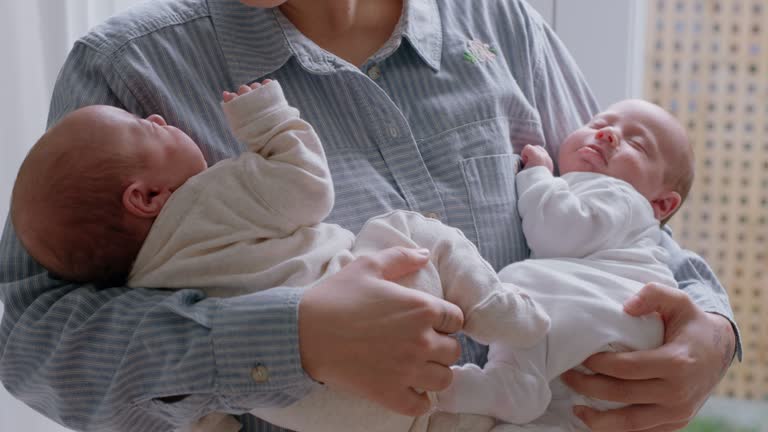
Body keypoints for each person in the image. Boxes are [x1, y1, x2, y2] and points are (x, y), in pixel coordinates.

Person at [0, 1, 740, 431]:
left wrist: (709, 327)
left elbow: (623, 214)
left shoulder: (500, 24)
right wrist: (294, 340)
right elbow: (33, 341)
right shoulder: (131, 69)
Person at [11, 78, 549, 432]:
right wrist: (271, 123)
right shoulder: (209, 195)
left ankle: (482, 400)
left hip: (318, 415)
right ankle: (492, 308)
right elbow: (308, 188)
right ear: (146, 197)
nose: (154, 117)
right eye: (141, 127)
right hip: (401, 290)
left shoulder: (145, 279)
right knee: (408, 229)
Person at [436, 99, 692, 431]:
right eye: (598, 124)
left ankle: (513, 379)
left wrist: (538, 175)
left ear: (661, 203)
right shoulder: (617, 210)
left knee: (523, 285)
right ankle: (516, 389)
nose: (609, 134)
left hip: (608, 310)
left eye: (637, 144)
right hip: (607, 334)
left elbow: (557, 232)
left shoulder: (622, 197)